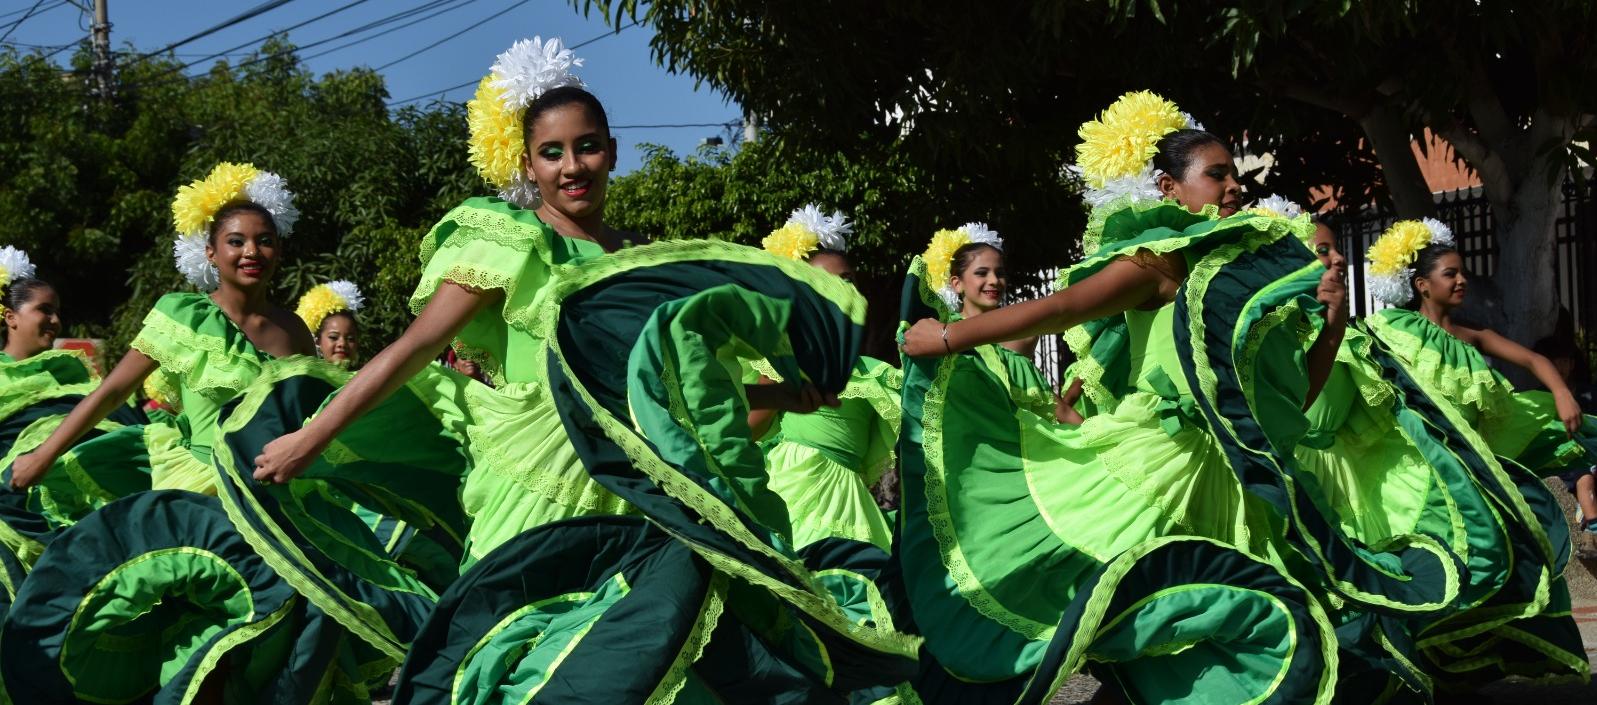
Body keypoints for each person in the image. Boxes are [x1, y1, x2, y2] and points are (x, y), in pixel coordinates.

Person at [238, 37, 908, 702]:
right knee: (509, 658)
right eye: (551, 152)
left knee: (639, 670)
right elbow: (412, 348)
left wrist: (784, 393)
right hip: (537, 488)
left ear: (611, 150)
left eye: (586, 146)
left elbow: (676, 390)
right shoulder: (512, 243)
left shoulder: (638, 262)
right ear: (527, 164)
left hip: (634, 493)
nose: (571, 166)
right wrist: (313, 434)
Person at [893, 91, 1393, 704]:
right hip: (1160, 463)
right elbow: (1062, 307)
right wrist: (947, 335)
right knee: (1106, 604)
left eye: (1235, 174)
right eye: (1216, 175)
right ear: (1168, 187)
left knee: (1220, 638)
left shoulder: (1233, 282)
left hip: (1235, 480)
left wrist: (1334, 324)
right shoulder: (1157, 262)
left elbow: (1285, 400)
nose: (1234, 186)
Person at [9, 162, 314, 496]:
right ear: (211, 253)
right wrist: (44, 455)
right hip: (201, 491)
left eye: (265, 241)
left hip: (280, 492)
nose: (251, 251)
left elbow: (315, 415)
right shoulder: (184, 316)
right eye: (236, 241)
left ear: (279, 250)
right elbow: (112, 391)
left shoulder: (293, 330)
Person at [1363, 219, 1597, 479]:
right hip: (1414, 462)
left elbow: (1534, 360)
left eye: (1462, 272)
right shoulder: (1396, 328)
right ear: (1422, 285)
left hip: (1467, 462)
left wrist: (1562, 393)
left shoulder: (1474, 335)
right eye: (1450, 274)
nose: (1462, 280)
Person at [295, 279, 363, 366]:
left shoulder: (369, 377)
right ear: (317, 341)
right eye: (333, 337)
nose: (342, 344)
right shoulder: (304, 377)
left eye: (350, 339)